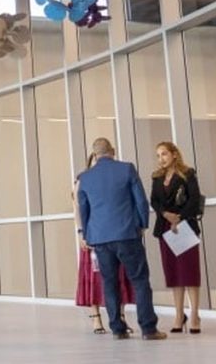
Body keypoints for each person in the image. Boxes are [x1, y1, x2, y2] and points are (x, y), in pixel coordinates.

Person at [77, 137, 166, 341]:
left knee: (109, 282)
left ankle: (117, 328)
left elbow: (84, 210)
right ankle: (148, 329)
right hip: (127, 234)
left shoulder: (85, 177)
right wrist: (142, 224)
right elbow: (141, 200)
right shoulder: (126, 169)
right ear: (113, 150)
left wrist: (87, 235)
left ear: (95, 155)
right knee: (140, 280)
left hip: (100, 239)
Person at [73, 153, 135, 334]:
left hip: (113, 236)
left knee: (118, 276)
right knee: (94, 278)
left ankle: (121, 317)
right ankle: (96, 318)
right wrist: (81, 233)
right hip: (93, 236)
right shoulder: (83, 180)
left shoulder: (115, 179)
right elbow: (78, 208)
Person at [150, 142, 203, 334]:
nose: (161, 158)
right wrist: (165, 214)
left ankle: (195, 314)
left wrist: (178, 218)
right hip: (165, 227)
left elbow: (194, 199)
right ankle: (179, 315)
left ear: (174, 154)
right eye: (158, 155)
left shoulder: (187, 173)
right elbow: (154, 200)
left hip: (184, 227)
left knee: (189, 272)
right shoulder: (156, 177)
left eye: (164, 154)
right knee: (173, 273)